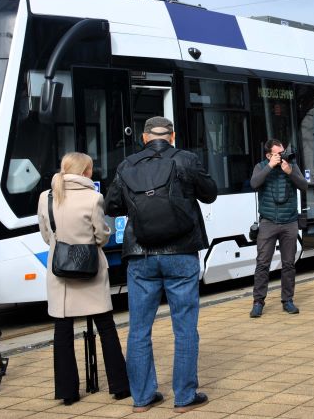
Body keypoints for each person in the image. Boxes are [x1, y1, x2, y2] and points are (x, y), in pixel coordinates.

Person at [105, 117, 217, 413]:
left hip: (140, 254)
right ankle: (184, 397)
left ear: (144, 138)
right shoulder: (186, 159)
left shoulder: (127, 164)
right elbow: (210, 193)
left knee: (139, 328)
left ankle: (142, 398)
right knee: (185, 327)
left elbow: (112, 205)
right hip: (181, 252)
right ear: (173, 136)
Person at [38, 152, 129, 406]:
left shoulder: (46, 197)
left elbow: (46, 236)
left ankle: (67, 393)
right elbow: (101, 236)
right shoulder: (94, 198)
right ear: (87, 172)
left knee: (63, 332)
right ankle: (120, 386)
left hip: (60, 274)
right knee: (106, 328)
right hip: (91, 271)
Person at [249, 139, 309, 318]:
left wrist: (290, 172)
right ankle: (258, 302)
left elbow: (304, 186)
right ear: (269, 155)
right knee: (262, 263)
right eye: (278, 153)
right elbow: (254, 184)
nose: (283, 155)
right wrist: (269, 167)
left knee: (289, 264)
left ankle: (288, 300)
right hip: (268, 222)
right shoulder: (260, 166)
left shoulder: (291, 165)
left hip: (289, 222)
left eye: (283, 152)